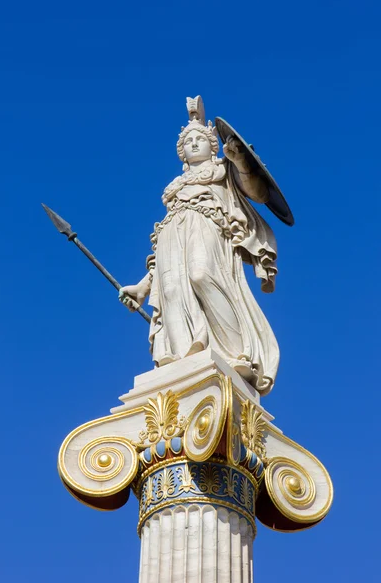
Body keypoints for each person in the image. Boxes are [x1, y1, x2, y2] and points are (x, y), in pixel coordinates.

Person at [120, 97, 279, 395]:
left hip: (206, 227)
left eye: (199, 139)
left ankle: (236, 353)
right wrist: (143, 287)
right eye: (188, 140)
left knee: (201, 275)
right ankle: (181, 357)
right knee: (170, 291)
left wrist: (241, 161)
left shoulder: (223, 170)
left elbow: (257, 192)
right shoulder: (174, 190)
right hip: (172, 238)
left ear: (212, 145)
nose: (193, 144)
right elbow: (157, 252)